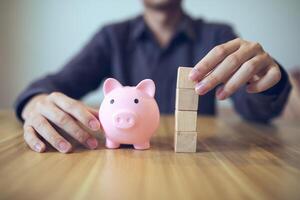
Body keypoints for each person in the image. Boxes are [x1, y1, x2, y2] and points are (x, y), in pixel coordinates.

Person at [15, 0, 291, 153]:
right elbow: (53, 85)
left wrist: (267, 80)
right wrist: (35, 102)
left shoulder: (218, 36)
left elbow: (256, 112)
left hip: (198, 165)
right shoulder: (111, 37)